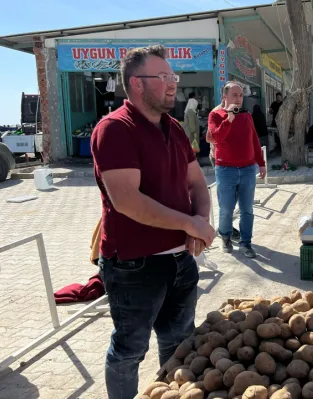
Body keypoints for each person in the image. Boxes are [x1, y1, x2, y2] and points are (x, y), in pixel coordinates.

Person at [90, 45, 216, 399]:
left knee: (179, 345)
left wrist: (199, 221)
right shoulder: (115, 129)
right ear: (137, 84)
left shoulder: (174, 128)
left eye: (172, 76)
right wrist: (190, 225)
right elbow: (128, 201)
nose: (172, 83)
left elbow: (197, 183)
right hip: (135, 265)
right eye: (162, 77)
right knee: (130, 351)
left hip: (181, 260)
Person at [208, 81, 267, 258]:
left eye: (241, 95)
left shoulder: (247, 116)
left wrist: (261, 162)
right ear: (224, 97)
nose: (239, 99)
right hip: (226, 170)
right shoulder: (215, 115)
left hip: (248, 169)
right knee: (226, 208)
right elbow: (217, 137)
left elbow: (254, 140)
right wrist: (229, 117)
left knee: (247, 209)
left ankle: (246, 243)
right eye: (235, 95)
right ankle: (225, 235)